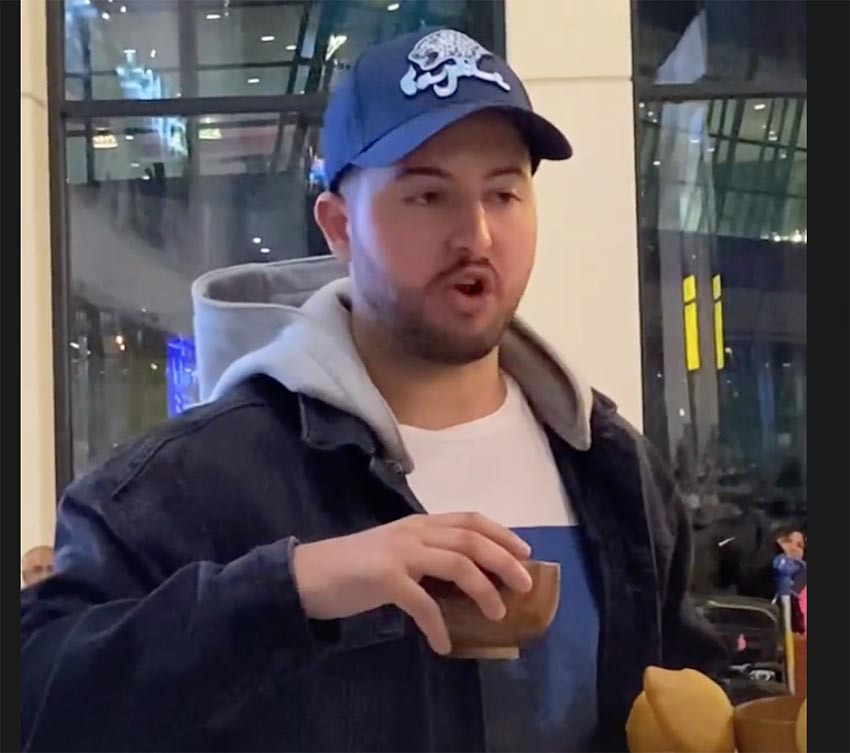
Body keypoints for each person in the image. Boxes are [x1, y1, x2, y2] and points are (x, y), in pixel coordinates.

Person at [21, 27, 725, 752]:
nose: (477, 235)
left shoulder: (612, 468)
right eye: (428, 195)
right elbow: (38, 696)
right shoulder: (189, 482)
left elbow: (684, 693)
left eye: (504, 193)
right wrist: (294, 586)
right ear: (338, 226)